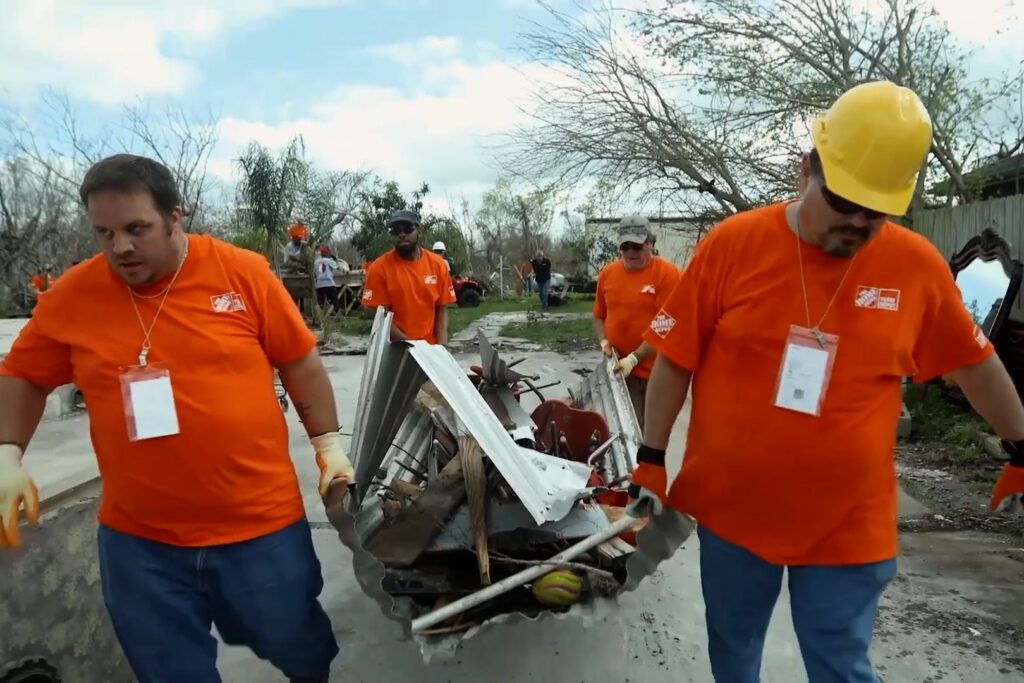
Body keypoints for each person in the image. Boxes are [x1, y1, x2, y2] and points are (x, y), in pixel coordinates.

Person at [630, 80, 1024, 682]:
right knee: (733, 655)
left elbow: (973, 361)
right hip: (735, 509)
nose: (858, 223)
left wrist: (1020, 443)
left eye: (876, 211)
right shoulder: (733, 246)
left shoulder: (916, 267)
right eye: (843, 202)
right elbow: (675, 357)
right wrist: (652, 455)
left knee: (841, 664)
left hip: (848, 521)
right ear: (805, 172)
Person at [0, 153, 353, 683]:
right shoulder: (73, 296)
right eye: (104, 233)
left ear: (174, 216)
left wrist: (327, 444)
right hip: (139, 543)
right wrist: (7, 453)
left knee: (297, 645)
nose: (120, 247)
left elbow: (299, 360)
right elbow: (23, 375)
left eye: (136, 229)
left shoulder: (242, 273)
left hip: (258, 527)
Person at [592, 216, 681, 429]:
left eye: (637, 246)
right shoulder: (608, 274)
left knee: (649, 436)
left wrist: (634, 358)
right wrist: (604, 342)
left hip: (655, 374)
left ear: (650, 243)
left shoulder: (668, 275)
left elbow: (665, 326)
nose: (631, 252)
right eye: (625, 246)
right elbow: (598, 314)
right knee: (618, 431)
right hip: (618, 369)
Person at [362, 209, 456, 345]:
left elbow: (441, 310)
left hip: (430, 349)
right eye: (395, 231)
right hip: (395, 349)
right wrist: (412, 346)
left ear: (419, 231)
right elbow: (380, 317)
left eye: (407, 229)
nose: (402, 234)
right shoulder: (379, 268)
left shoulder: (437, 265)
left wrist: (442, 348)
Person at [314, 245, 340, 313]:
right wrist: (335, 259)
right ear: (328, 253)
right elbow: (337, 267)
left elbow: (314, 272)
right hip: (329, 283)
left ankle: (321, 315)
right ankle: (336, 313)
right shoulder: (329, 261)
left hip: (319, 284)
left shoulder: (316, 262)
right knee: (334, 299)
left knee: (321, 301)